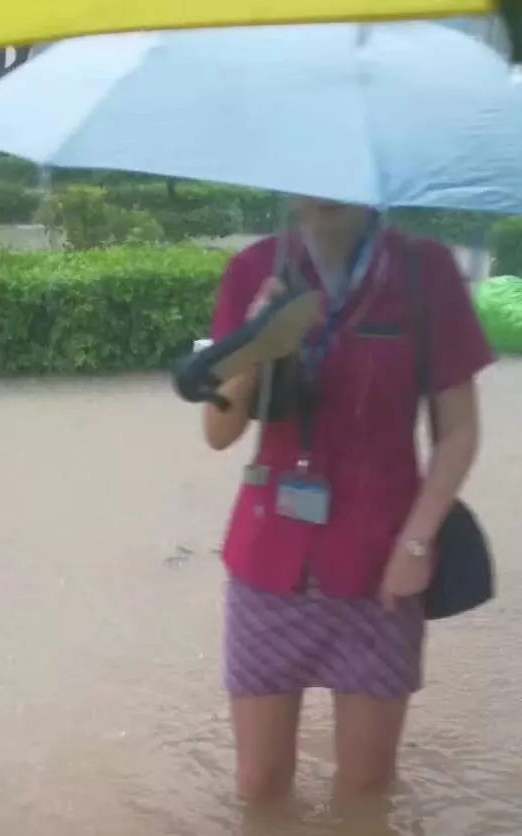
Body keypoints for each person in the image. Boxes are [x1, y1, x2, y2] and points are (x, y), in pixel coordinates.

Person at [202, 200, 493, 803]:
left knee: (365, 788)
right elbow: (218, 432)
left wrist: (418, 541)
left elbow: (458, 432)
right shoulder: (255, 270)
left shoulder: (423, 272)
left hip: (380, 566)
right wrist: (258, 343)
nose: (321, 191)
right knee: (259, 786)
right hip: (269, 561)